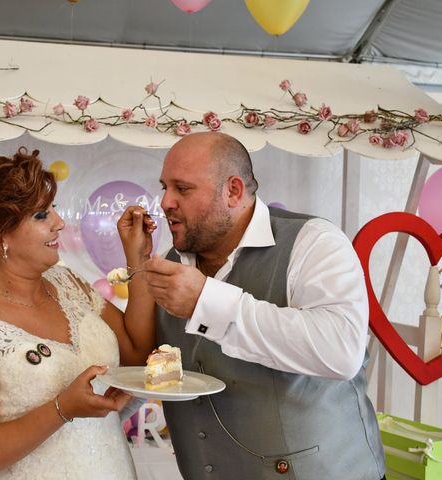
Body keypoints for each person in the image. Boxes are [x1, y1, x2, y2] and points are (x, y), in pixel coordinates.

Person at [142, 132, 386, 480]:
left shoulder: (313, 241)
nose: (166, 201)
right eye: (164, 187)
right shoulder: (171, 262)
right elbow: (154, 362)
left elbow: (342, 350)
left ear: (233, 191)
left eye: (183, 188)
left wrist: (206, 302)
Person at [0, 147, 155, 480]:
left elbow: (137, 353)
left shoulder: (68, 284)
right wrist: (62, 409)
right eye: (42, 215)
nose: (59, 223)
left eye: (53, 209)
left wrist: (139, 258)